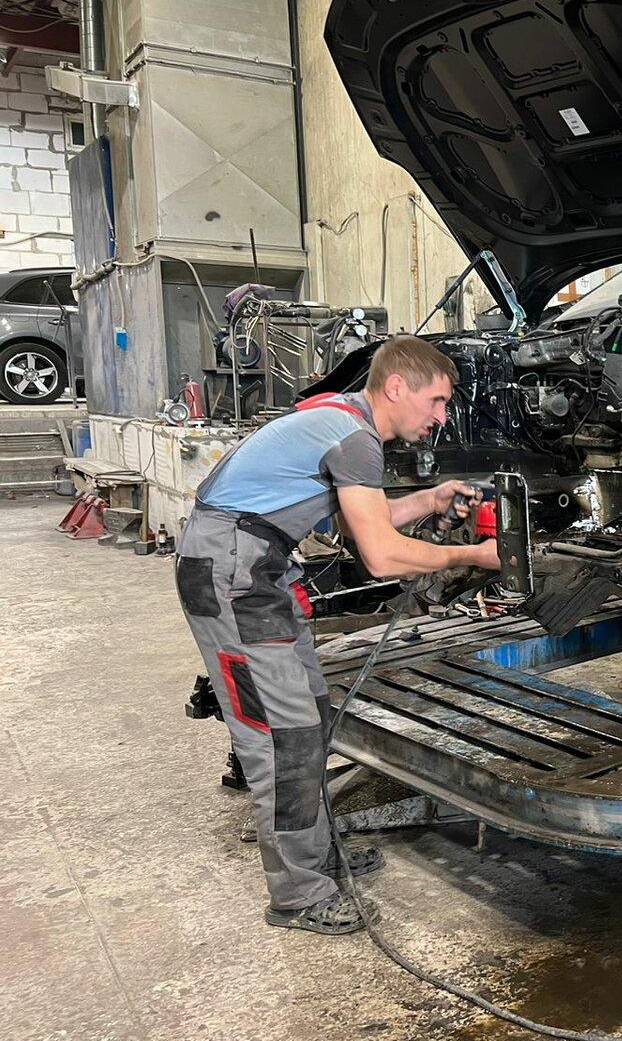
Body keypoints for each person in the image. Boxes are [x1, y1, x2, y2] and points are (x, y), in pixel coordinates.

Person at [174, 334, 501, 934]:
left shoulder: (342, 421)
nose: (441, 416)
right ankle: (298, 894)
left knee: (310, 717)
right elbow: (380, 555)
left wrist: (430, 500)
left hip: (255, 569)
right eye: (436, 401)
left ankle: (318, 856)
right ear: (396, 387)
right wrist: (474, 556)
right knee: (284, 736)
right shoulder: (354, 437)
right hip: (233, 574)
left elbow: (363, 522)